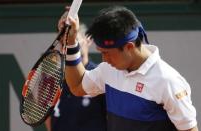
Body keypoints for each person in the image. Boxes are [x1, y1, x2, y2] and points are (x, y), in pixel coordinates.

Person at [59, 6, 199, 131]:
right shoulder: (108, 69)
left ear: (129, 47)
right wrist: (71, 42)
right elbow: (77, 86)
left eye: (107, 53)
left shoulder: (168, 81)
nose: (104, 60)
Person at [45, 21, 107, 131]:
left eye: (74, 41)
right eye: (65, 43)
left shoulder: (100, 77)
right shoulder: (53, 80)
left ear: (88, 40)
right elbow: (49, 117)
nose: (69, 46)